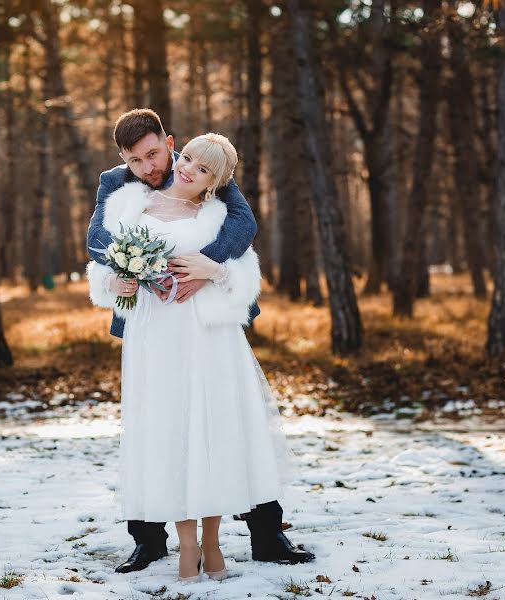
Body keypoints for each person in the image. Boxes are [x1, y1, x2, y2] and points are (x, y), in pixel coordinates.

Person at [86, 110, 315, 574]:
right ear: (123, 160)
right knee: (156, 425)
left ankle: (267, 535)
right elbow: (98, 242)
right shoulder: (116, 185)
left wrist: (199, 266)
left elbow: (242, 225)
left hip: (207, 319)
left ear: (169, 142)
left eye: (154, 154)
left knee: (231, 419)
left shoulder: (204, 167)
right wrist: (139, 272)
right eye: (135, 161)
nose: (149, 167)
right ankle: (148, 541)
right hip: (154, 325)